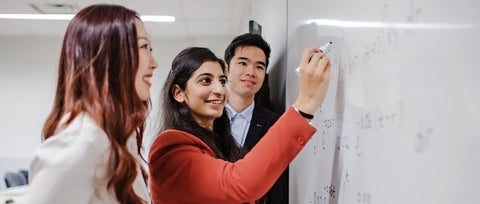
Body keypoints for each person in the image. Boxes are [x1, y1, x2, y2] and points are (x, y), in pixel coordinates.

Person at [148, 46, 330, 203]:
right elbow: (241, 184)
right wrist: (305, 104)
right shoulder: (170, 149)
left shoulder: (219, 143)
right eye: (205, 80)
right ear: (179, 93)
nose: (219, 90)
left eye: (222, 81)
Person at [20, 4, 158, 204]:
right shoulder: (83, 142)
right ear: (110, 56)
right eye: (144, 47)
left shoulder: (116, 138)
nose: (154, 62)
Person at [223, 33, 286, 203]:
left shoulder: (275, 124)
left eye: (259, 66)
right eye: (243, 63)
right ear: (226, 68)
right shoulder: (207, 118)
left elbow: (278, 187)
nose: (251, 72)